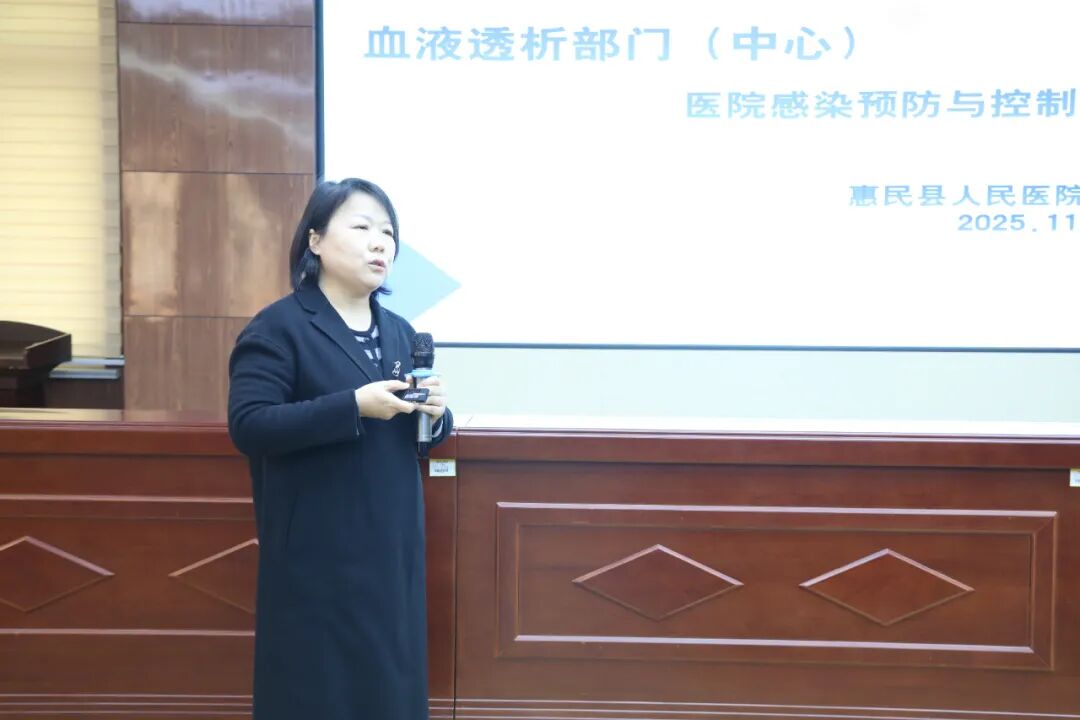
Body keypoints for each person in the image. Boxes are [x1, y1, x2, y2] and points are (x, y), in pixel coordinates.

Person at [227, 178, 452, 720]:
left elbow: (412, 432)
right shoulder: (279, 327)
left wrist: (437, 414)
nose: (380, 243)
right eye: (362, 227)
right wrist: (352, 406)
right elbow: (250, 425)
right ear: (316, 240)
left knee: (389, 692)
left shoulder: (400, 332)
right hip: (316, 554)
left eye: (388, 233)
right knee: (317, 692)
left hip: (390, 550)